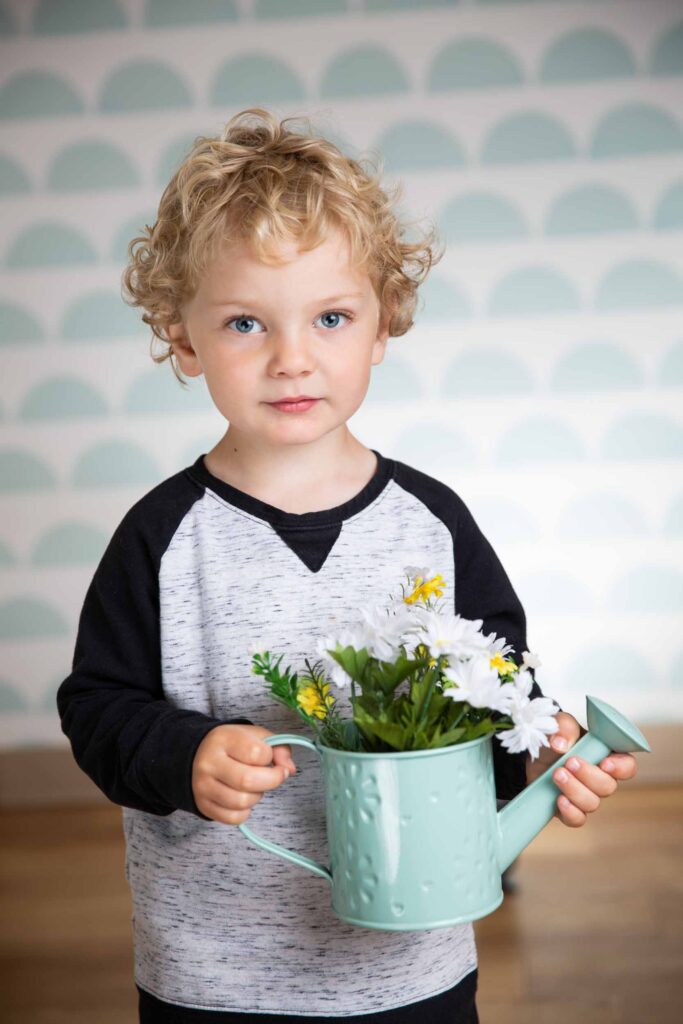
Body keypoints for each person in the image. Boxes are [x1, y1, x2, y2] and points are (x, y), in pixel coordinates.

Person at [56, 107, 638, 1024]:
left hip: (414, 967)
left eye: (330, 317)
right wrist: (186, 754)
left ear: (382, 324)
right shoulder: (163, 537)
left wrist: (540, 753)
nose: (292, 359)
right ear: (182, 336)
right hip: (216, 974)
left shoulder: (432, 525)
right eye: (246, 322)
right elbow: (97, 708)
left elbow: (497, 686)